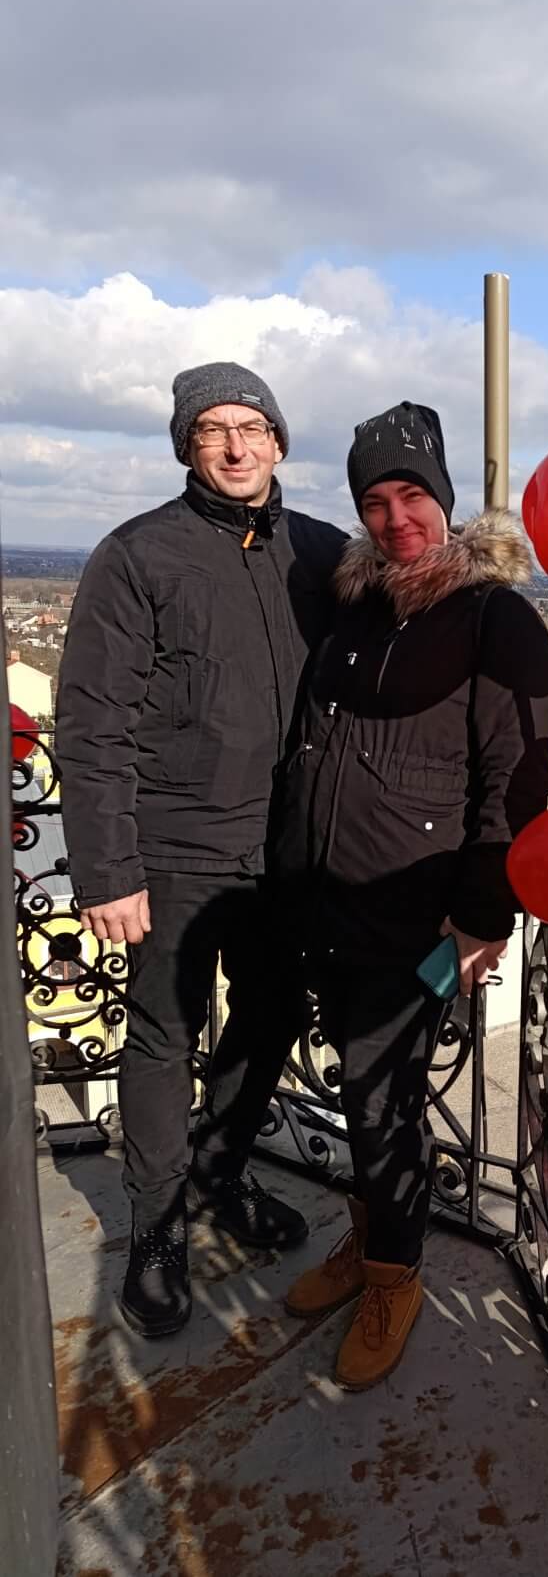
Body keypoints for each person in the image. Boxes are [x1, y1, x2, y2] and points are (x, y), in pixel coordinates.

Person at [56, 363, 348, 1337]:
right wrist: (109, 871)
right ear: (187, 445)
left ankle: (222, 1177)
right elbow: (91, 723)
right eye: (213, 429)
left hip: (285, 857)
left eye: (251, 427)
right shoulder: (138, 556)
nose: (233, 446)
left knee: (263, 1027)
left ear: (278, 442)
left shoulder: (322, 553)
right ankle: (158, 1229)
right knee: (160, 1039)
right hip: (172, 850)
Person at [275, 401, 548, 1392]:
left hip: (419, 909)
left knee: (383, 1097)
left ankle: (395, 1276)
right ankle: (370, 1241)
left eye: (410, 497)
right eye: (373, 501)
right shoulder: (360, 608)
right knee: (362, 1093)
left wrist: (485, 911)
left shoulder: (495, 618)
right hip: (329, 897)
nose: (394, 518)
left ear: (443, 503)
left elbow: (516, 776)